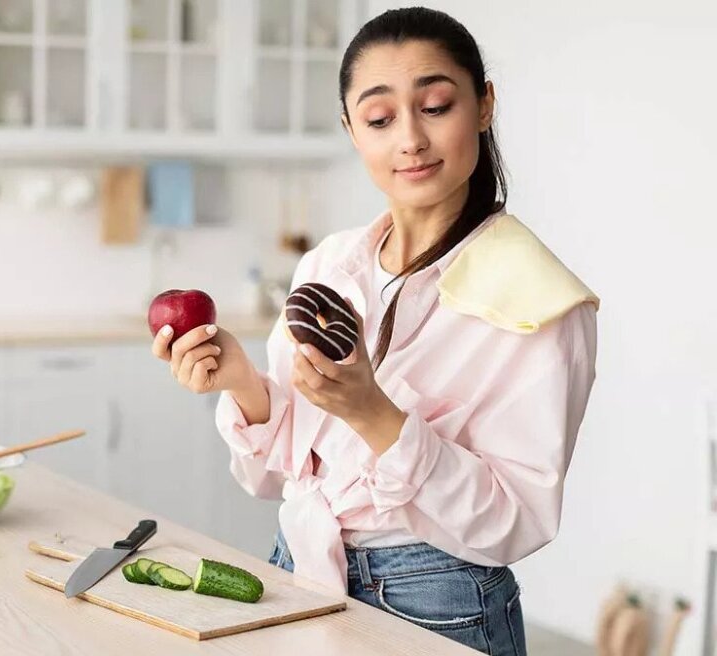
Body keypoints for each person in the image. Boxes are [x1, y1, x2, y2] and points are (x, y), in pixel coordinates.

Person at [150, 7, 599, 655]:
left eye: (436, 105)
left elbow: (513, 520)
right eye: (381, 119)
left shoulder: (541, 301)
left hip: (437, 599)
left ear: (483, 106)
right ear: (352, 131)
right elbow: (276, 476)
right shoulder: (331, 264)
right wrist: (242, 379)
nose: (410, 139)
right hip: (299, 568)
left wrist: (373, 413)